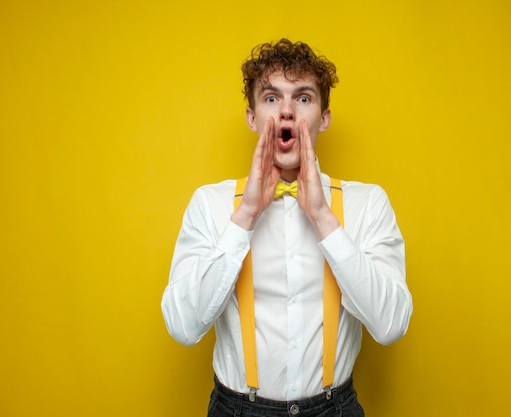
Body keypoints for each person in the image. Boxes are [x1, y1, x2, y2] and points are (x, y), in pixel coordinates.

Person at [161, 39, 412, 417]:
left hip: (334, 408)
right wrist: (244, 216)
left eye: (304, 98)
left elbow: (391, 325)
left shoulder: (367, 203)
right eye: (272, 98)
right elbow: (182, 326)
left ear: (323, 117)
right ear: (252, 117)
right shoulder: (210, 204)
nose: (288, 112)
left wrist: (324, 219)